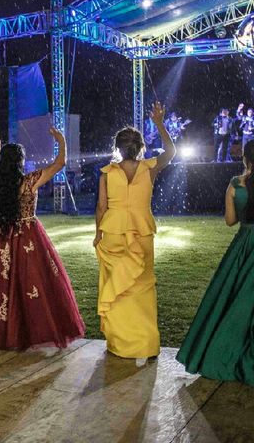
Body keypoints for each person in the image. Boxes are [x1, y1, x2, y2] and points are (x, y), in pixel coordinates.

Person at [0, 129, 85, 350]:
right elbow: (60, 164)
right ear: (21, 162)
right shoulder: (30, 181)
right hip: (29, 235)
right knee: (34, 281)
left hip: (2, 236)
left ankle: (5, 333)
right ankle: (28, 332)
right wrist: (61, 141)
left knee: (2, 284)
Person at [94, 102, 175, 365]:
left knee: (117, 290)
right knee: (142, 289)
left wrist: (97, 234)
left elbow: (101, 207)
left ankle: (121, 343)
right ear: (140, 147)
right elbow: (171, 151)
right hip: (141, 232)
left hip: (114, 232)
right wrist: (160, 124)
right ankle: (148, 345)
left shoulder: (107, 173)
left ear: (117, 148)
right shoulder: (150, 167)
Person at [176, 140, 254, 385]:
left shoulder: (234, 185)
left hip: (244, 246)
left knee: (233, 301)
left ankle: (224, 352)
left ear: (244, 158)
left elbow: (230, 220)